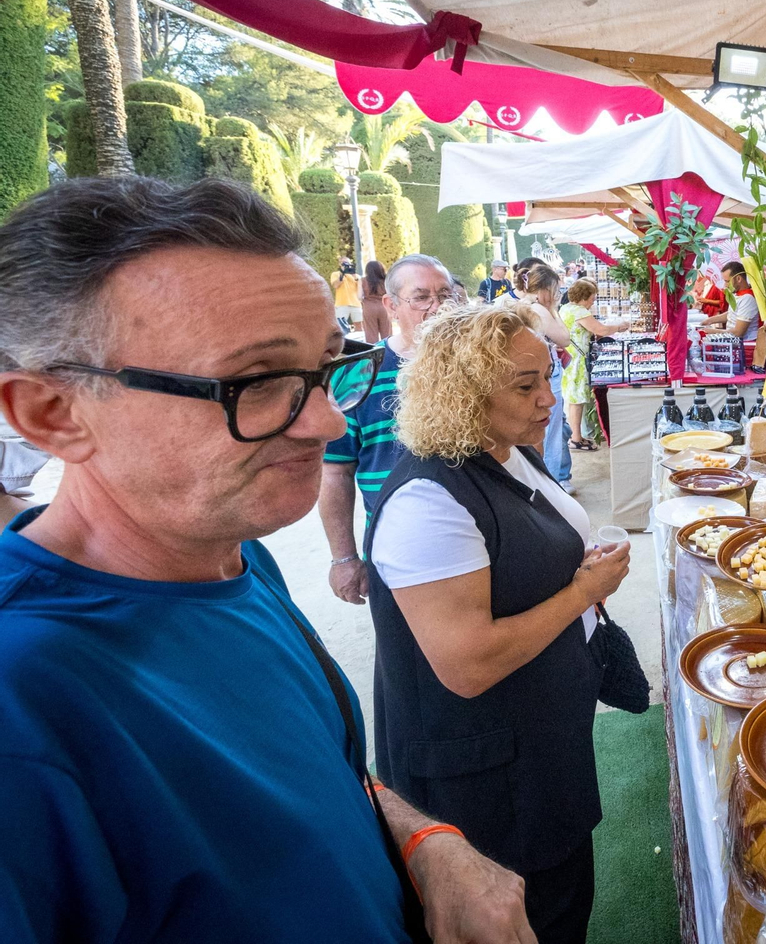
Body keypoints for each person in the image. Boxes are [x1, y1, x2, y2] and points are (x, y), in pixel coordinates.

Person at [0, 177, 533, 943]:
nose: (321, 421)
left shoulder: (232, 555)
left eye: (327, 369)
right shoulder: (24, 705)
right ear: (54, 414)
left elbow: (321, 777)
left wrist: (425, 842)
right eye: (255, 383)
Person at [365, 299, 630, 944]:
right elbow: (469, 663)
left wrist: (573, 568)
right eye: (525, 384)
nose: (548, 396)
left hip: (537, 739)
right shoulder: (429, 499)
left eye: (549, 374)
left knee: (565, 894)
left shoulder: (506, 450)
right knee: (531, 912)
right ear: (464, 393)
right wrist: (583, 590)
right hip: (485, 777)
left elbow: (525, 548)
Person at [319, 253, 454, 606]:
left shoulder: (476, 365)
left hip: (479, 537)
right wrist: (344, 558)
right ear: (391, 305)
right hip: (395, 551)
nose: (437, 307)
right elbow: (335, 470)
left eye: (445, 295)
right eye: (422, 297)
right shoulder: (358, 374)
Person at [558, 279, 629, 452]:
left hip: (570, 358)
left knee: (576, 398)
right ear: (584, 296)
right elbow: (601, 330)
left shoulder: (566, 308)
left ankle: (578, 435)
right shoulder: (579, 311)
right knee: (576, 399)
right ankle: (575, 438)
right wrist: (620, 327)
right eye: (592, 298)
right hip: (577, 361)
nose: (593, 302)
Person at [522, 263, 576, 491]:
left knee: (546, 431)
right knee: (550, 432)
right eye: (555, 289)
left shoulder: (526, 306)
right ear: (546, 288)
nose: (557, 295)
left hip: (538, 375)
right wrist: (554, 310)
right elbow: (564, 337)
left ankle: (549, 480)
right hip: (546, 376)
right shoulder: (539, 309)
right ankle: (553, 485)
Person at [701, 260, 759, 341]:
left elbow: (738, 332)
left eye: (727, 281)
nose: (725, 285)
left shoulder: (748, 298)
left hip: (744, 344)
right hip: (732, 340)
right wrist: (709, 320)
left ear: (738, 279)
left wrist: (712, 331)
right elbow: (732, 314)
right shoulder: (737, 294)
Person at [362, 259, 391, 343]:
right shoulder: (386, 280)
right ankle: (387, 352)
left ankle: (373, 354)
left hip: (369, 308)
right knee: (387, 332)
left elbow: (359, 296)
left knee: (370, 333)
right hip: (384, 306)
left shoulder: (363, 280)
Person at [330, 255, 362, 330]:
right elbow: (335, 285)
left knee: (359, 325)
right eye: (344, 263)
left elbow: (360, 286)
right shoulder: (335, 274)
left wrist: (353, 274)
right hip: (342, 303)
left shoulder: (356, 276)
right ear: (340, 264)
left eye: (348, 263)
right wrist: (342, 273)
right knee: (341, 326)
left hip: (356, 303)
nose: (346, 265)